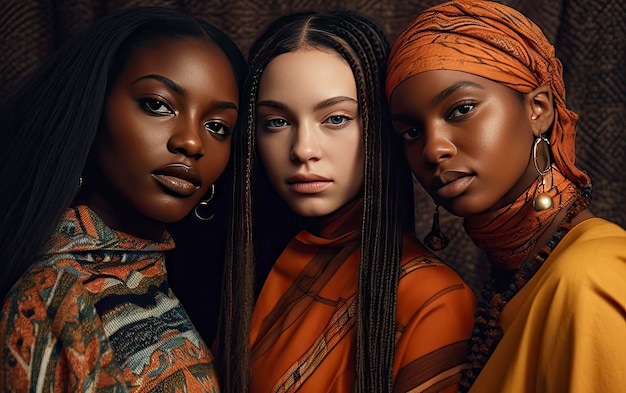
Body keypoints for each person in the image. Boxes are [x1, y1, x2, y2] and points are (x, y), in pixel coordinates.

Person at [216, 10, 476, 393]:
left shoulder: (432, 300)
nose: (303, 149)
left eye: (335, 118)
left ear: (378, 127)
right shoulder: (246, 265)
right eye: (276, 122)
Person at [0, 6, 246, 391]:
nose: (192, 142)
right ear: (92, 110)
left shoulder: (156, 271)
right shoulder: (53, 297)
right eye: (157, 104)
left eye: (217, 126)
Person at [385, 1, 626, 392]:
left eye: (461, 109)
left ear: (539, 109)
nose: (434, 149)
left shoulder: (589, 279)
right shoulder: (515, 277)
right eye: (411, 132)